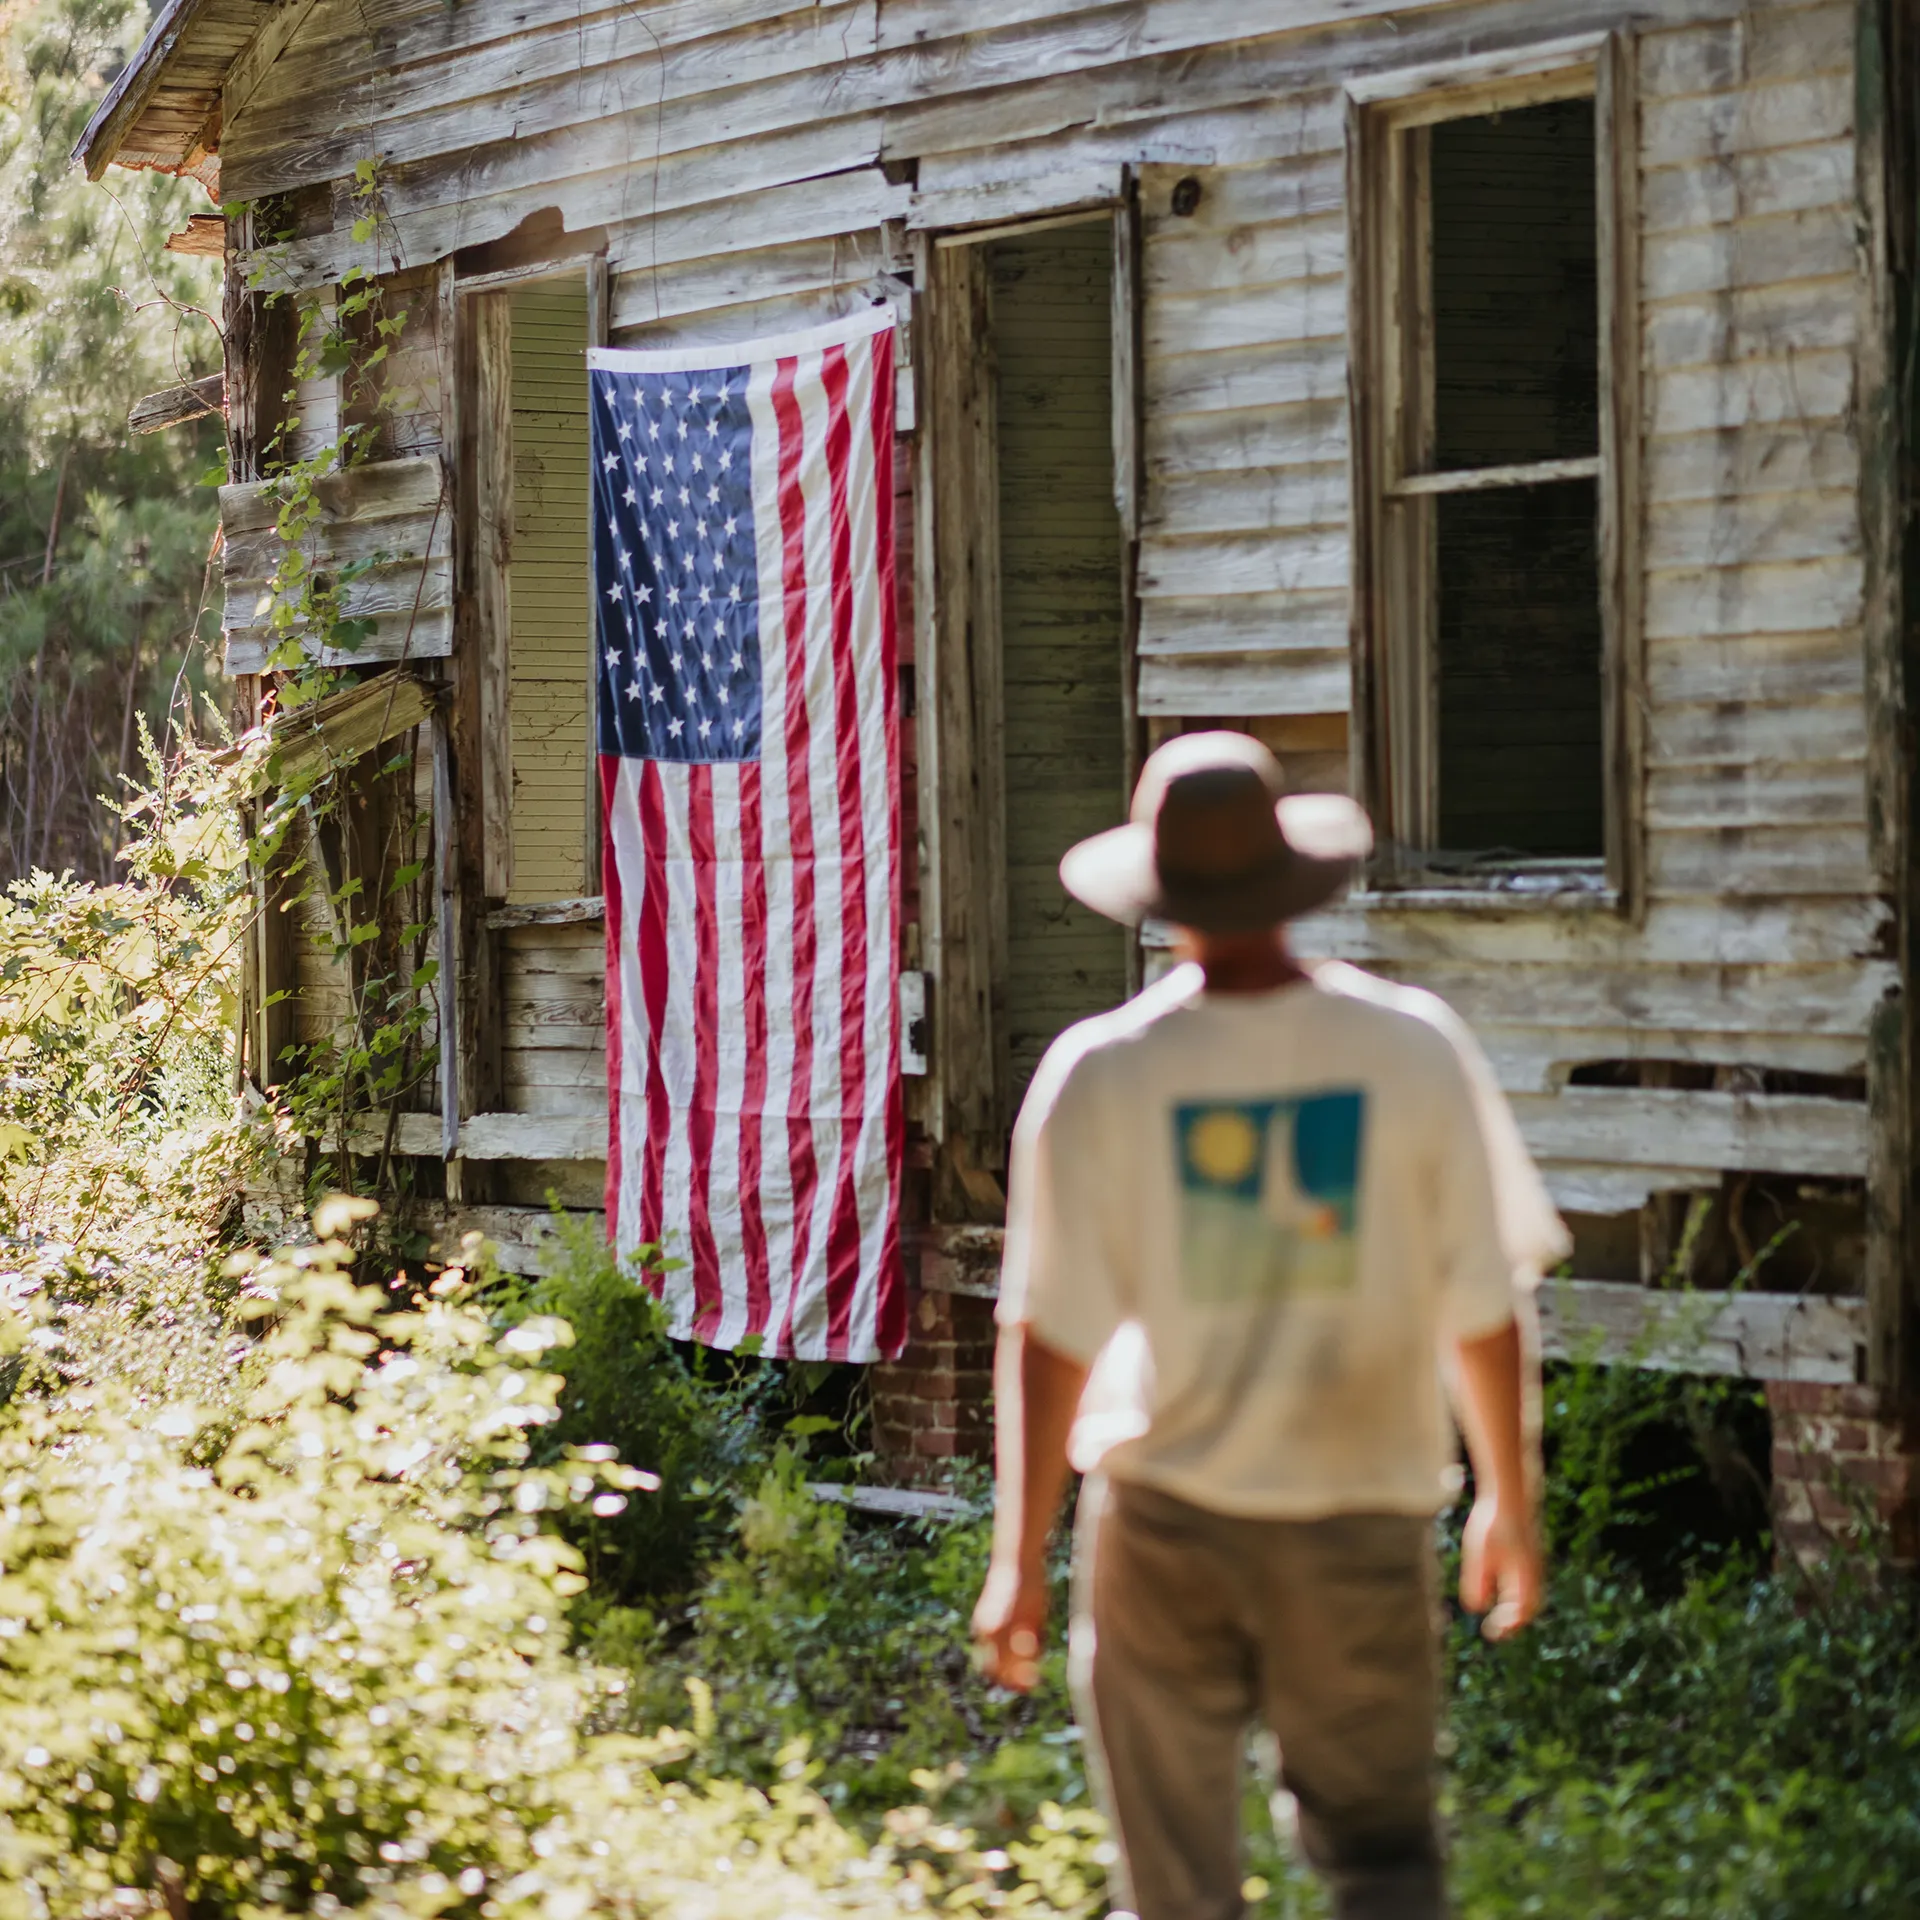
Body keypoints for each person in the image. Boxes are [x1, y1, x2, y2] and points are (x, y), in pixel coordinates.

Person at [971, 732, 1567, 1920]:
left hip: (1163, 1528)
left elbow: (1049, 1339)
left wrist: (1017, 1559)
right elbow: (1483, 1305)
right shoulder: (1407, 1047)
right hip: (1360, 1515)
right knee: (1385, 1864)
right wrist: (1509, 1491)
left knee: (1177, 1890)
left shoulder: (1102, 1071)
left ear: (1163, 897)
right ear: (1292, 881)